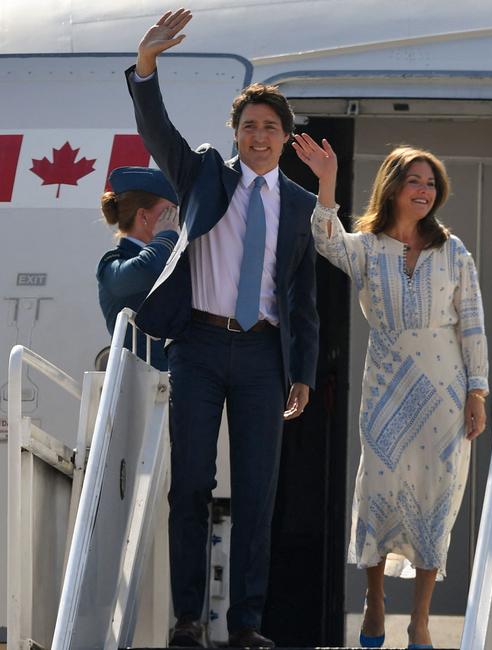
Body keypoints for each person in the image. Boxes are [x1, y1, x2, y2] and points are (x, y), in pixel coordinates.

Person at [125, 9, 319, 648]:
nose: (258, 136)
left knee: (259, 493)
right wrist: (147, 67)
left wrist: (304, 373)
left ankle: (247, 625)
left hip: (265, 354)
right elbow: (158, 132)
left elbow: (302, 298)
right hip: (201, 347)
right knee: (192, 487)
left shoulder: (300, 205)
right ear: (234, 133)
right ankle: (187, 618)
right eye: (248, 126)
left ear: (284, 138)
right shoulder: (205, 172)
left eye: (269, 127)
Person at [293, 134, 488, 649]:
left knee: (437, 494)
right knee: (378, 489)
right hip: (386, 386)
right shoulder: (366, 248)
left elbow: (472, 323)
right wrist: (327, 180)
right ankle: (374, 600)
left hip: (445, 390)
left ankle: (419, 619)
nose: (423, 190)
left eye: (430, 183)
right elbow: (324, 238)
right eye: (413, 181)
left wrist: (477, 391)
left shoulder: (454, 251)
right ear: (394, 188)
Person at [97, 166, 179, 371]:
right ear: (143, 216)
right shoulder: (112, 264)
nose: (176, 220)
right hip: (141, 386)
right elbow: (147, 270)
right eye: (169, 211)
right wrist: (165, 235)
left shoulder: (168, 257)